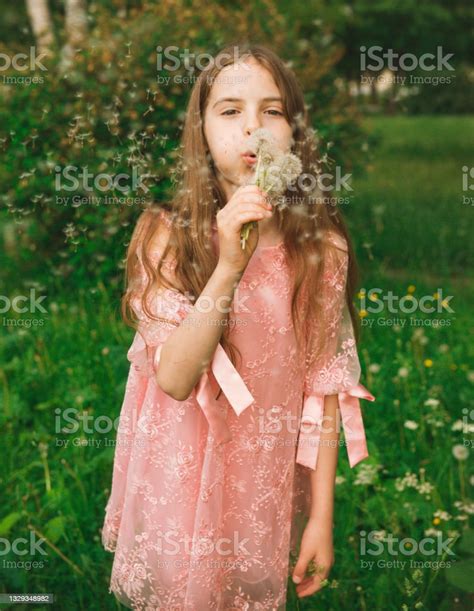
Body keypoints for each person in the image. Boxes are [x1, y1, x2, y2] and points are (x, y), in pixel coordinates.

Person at [101, 42, 375, 610]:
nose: (253, 128)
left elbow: (325, 385)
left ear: (294, 132)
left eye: (272, 111)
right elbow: (176, 377)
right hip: (182, 466)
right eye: (230, 111)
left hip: (261, 471)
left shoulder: (320, 248)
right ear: (201, 131)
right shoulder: (167, 236)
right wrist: (229, 264)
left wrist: (321, 517)